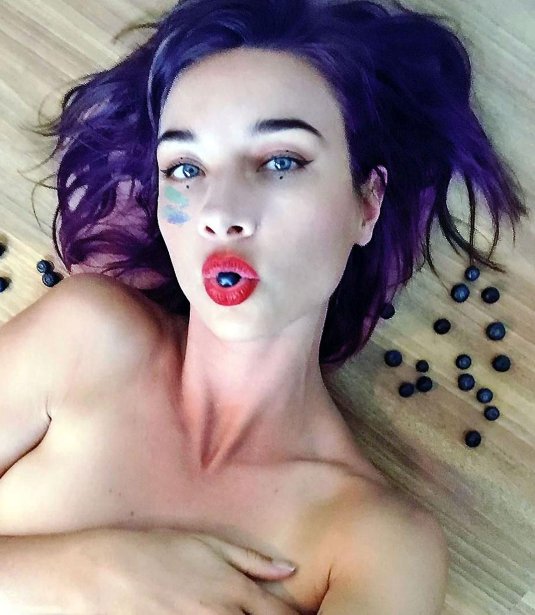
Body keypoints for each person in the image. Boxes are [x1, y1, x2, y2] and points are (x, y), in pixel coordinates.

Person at [0, 0, 529, 613]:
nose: (221, 212)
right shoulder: (82, 340)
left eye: (281, 161)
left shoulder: (378, 545)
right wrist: (90, 573)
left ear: (367, 202)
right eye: (186, 168)